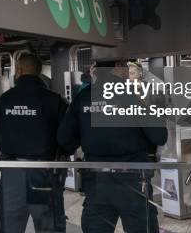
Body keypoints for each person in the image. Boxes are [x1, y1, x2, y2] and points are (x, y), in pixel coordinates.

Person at [58, 60, 168, 233]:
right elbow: (159, 136)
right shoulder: (130, 96)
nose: (127, 70)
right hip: (132, 181)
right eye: (125, 66)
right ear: (117, 67)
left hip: (96, 181)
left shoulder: (83, 97)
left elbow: (64, 139)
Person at [0, 54, 68, 233]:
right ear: (38, 72)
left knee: (9, 227)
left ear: (20, 70)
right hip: (45, 174)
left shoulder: (3, 101)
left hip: (10, 177)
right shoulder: (55, 100)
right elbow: (67, 137)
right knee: (49, 226)